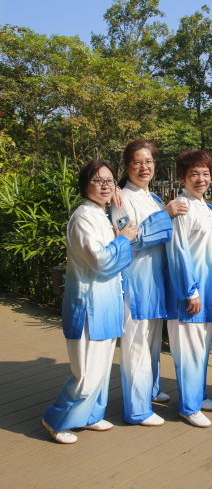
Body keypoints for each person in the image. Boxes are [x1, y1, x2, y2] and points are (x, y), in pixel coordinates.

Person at [42, 160, 138, 444]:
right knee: (86, 373)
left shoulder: (100, 213)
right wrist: (123, 239)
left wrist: (119, 228)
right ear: (85, 185)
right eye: (98, 181)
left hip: (106, 303)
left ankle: (90, 416)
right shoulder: (83, 217)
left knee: (102, 369)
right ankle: (56, 420)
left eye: (110, 181)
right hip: (88, 306)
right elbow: (102, 261)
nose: (106, 186)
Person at [111, 140, 188, 426]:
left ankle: (151, 391)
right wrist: (165, 214)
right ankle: (137, 409)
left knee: (152, 342)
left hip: (156, 280)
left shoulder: (153, 198)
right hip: (136, 280)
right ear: (127, 166)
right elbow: (131, 239)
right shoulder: (121, 199)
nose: (144, 167)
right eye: (137, 162)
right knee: (136, 346)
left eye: (149, 162)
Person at [166, 150, 212, 428]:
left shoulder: (207, 208)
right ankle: (188, 407)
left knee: (202, 346)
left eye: (205, 173)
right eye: (194, 174)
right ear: (182, 178)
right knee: (188, 350)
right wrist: (191, 291)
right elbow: (178, 252)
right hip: (190, 294)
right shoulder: (182, 208)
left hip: (207, 292)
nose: (201, 179)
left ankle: (198, 396)